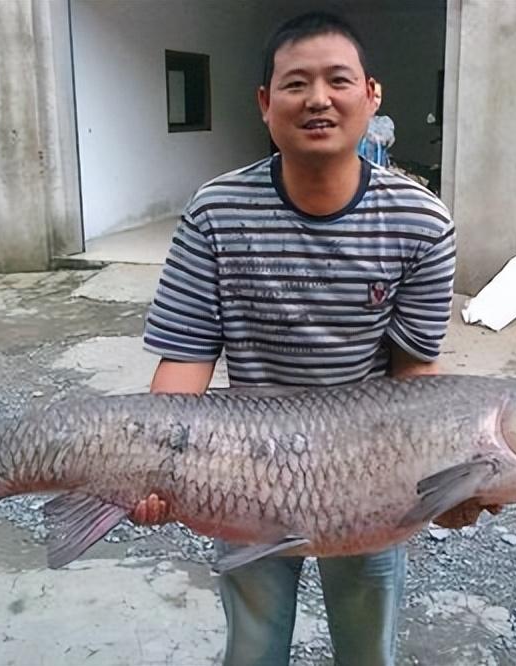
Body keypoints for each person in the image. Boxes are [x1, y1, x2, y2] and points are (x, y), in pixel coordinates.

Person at [132, 11, 491, 665]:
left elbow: (415, 375)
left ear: (371, 96)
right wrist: (152, 471)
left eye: (338, 80)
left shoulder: (420, 221)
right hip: (240, 466)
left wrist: (446, 479)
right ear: (267, 105)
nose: (319, 98)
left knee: (366, 651)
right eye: (296, 84)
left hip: (371, 469)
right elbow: (183, 364)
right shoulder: (216, 212)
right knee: (254, 648)